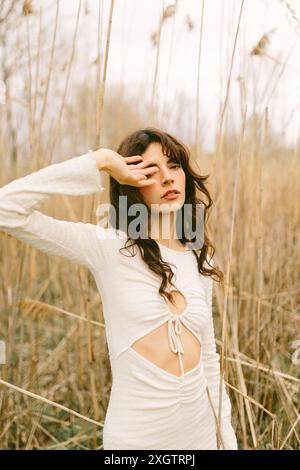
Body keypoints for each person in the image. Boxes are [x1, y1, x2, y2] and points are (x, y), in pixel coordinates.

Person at [0, 127, 238, 450]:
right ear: (130, 182)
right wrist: (99, 162)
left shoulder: (199, 256)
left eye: (174, 166)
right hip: (136, 443)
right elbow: (7, 210)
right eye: (151, 170)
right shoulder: (109, 248)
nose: (168, 178)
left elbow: (210, 360)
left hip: (199, 438)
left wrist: (227, 440)